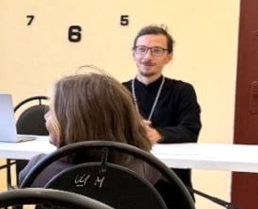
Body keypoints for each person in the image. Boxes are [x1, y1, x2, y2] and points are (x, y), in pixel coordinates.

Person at [20, 70, 158, 188]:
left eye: (52, 111)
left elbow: (23, 183)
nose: (45, 116)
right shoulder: (145, 165)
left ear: (73, 123)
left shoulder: (40, 168)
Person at [123, 24, 202, 190]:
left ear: (169, 57)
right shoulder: (118, 91)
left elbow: (190, 130)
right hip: (128, 178)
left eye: (157, 51)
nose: (147, 57)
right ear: (133, 54)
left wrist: (156, 134)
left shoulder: (182, 91)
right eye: (142, 49)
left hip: (172, 181)